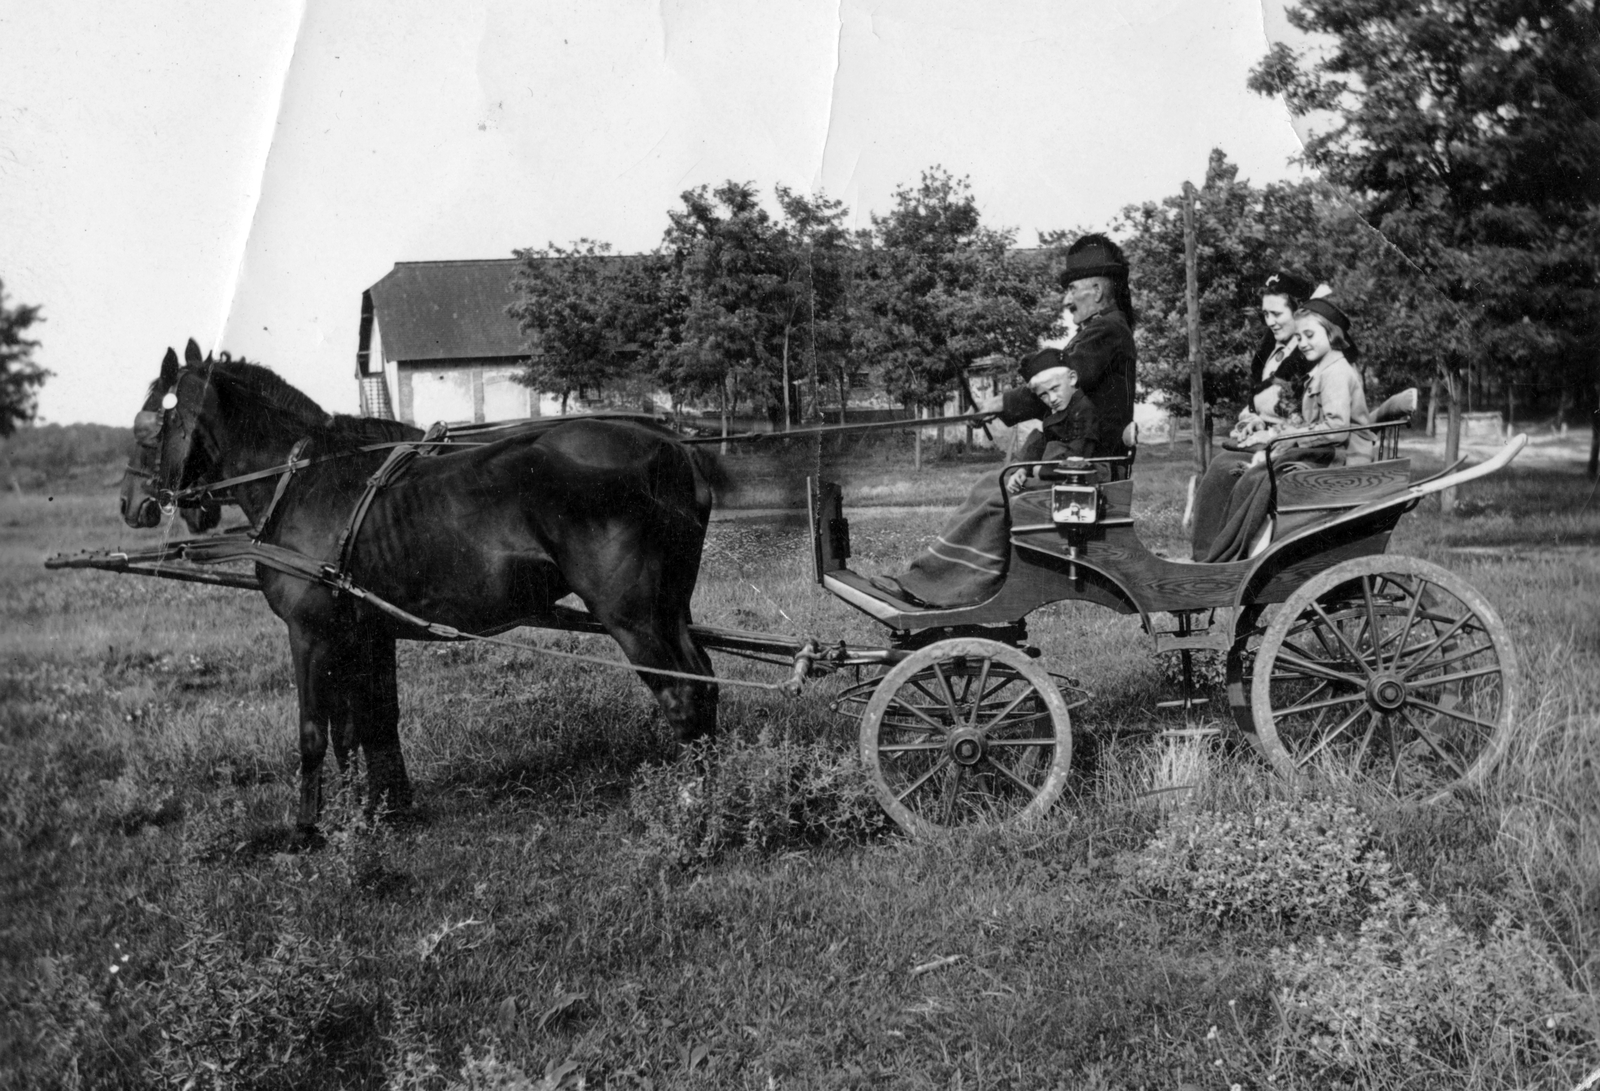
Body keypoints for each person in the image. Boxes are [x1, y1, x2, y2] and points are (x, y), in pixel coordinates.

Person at [870, 348, 1097, 608]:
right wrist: (1021, 468)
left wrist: (1035, 470)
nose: (1051, 398)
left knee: (997, 500)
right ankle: (931, 575)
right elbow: (1041, 441)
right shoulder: (1058, 410)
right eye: (1044, 395)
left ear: (1072, 378)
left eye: (1055, 389)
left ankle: (969, 585)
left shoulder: (1083, 412)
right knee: (986, 484)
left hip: (1066, 484)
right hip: (1046, 477)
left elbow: (1076, 458)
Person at [1197, 297, 1373, 563]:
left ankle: (1244, 553)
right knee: (1256, 470)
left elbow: (1337, 429)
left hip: (1343, 457)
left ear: (1332, 334)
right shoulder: (1325, 369)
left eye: (1310, 335)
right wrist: (1286, 433)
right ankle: (1237, 549)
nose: (1303, 343)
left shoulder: (1335, 372)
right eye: (1299, 337)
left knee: (1262, 476)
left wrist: (1291, 438)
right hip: (1329, 450)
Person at [1191, 271, 1320, 558]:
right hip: (1270, 439)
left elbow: (1307, 415)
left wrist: (1271, 432)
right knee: (1221, 468)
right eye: (1266, 315)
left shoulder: (1310, 353)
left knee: (1225, 469)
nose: (1270, 322)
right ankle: (1206, 557)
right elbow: (1260, 403)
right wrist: (1253, 421)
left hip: (1294, 444)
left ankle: (1221, 557)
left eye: (1277, 314)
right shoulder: (1272, 350)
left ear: (1299, 311)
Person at [1002, 234, 1139, 474]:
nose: (1066, 301)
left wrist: (998, 404)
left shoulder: (1108, 329)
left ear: (1097, 291)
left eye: (1072, 289)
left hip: (1085, 467)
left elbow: (1057, 381)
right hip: (1079, 462)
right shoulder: (1102, 329)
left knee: (994, 488)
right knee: (991, 485)